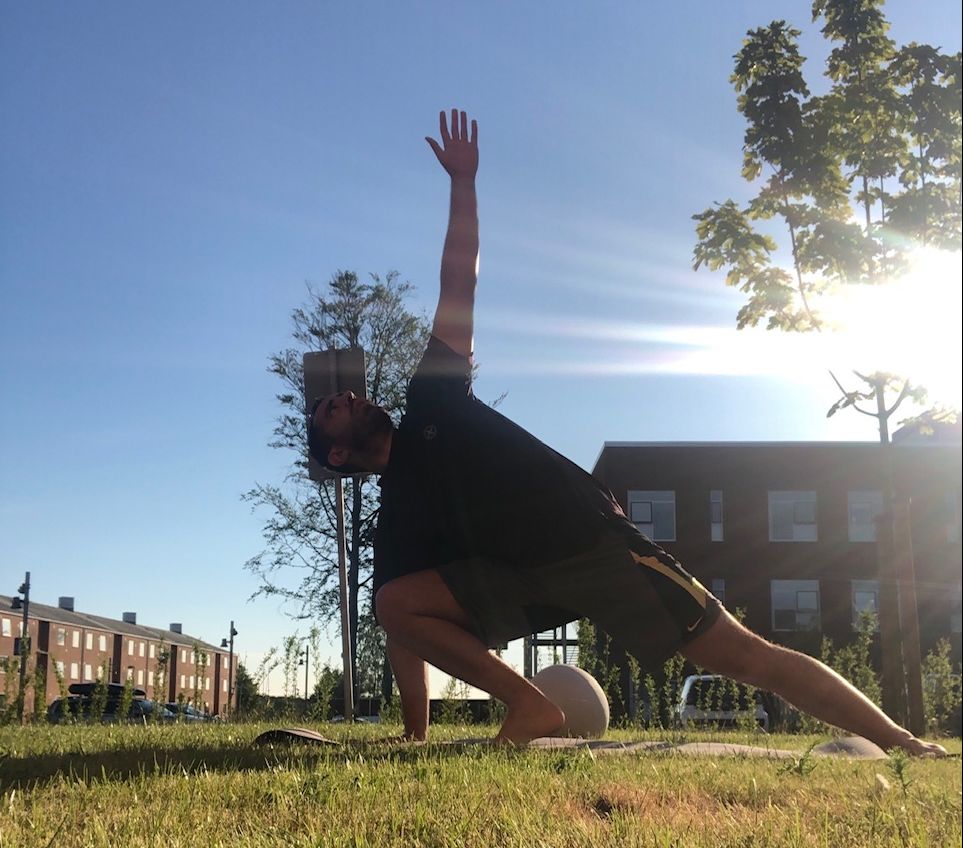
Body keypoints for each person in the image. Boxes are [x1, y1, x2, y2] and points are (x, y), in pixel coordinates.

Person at [307, 108, 946, 756]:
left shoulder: (430, 403)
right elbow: (403, 633)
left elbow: (456, 284)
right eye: (334, 406)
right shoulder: (397, 516)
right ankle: (530, 706)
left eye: (345, 393)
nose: (351, 396)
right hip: (517, 580)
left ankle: (901, 741)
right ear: (337, 453)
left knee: (745, 655)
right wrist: (413, 736)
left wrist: (463, 183)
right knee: (394, 601)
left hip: (593, 546)